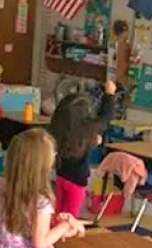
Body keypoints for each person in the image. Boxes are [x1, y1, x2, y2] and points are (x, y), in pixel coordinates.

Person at [49, 80, 116, 217]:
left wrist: (92, 141)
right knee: (70, 218)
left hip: (61, 176)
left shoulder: (57, 128)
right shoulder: (84, 132)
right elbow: (105, 118)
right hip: (77, 181)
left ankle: (53, 234)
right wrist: (109, 95)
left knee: (58, 213)